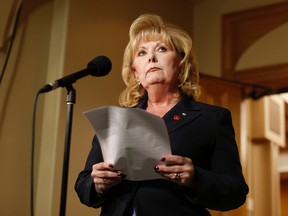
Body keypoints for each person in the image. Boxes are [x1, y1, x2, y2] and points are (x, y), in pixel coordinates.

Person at [75, 13, 249, 216]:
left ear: (181, 63)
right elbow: (83, 185)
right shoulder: (116, 121)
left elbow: (235, 192)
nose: (151, 57)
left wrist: (194, 178)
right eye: (141, 53)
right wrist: (98, 182)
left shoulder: (212, 118)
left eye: (161, 49)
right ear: (135, 72)